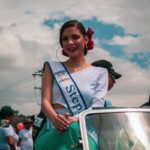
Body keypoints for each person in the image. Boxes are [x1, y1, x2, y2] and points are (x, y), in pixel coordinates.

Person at [34, 19, 108, 150]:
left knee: (75, 132)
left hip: (84, 130)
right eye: (65, 39)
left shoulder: (100, 73)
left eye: (75, 37)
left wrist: (77, 118)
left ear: (85, 39)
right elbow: (45, 102)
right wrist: (56, 119)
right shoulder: (52, 67)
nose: (70, 43)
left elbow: (98, 105)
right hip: (53, 128)